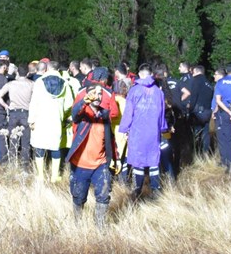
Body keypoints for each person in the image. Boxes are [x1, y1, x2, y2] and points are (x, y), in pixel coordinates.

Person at [67, 67, 119, 226]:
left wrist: (116, 160)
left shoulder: (104, 116)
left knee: (103, 196)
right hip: (81, 163)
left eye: (100, 95)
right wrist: (84, 102)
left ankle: (100, 228)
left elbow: (111, 138)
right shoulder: (83, 115)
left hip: (100, 163)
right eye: (94, 95)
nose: (98, 96)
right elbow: (75, 113)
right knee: (79, 197)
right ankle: (77, 225)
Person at [118, 64, 167, 200]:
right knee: (153, 160)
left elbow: (129, 112)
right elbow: (161, 114)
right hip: (153, 132)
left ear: (140, 74)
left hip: (137, 132)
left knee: (138, 161)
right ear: (150, 74)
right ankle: (156, 190)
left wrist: (124, 128)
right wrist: (162, 127)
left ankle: (137, 189)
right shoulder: (158, 92)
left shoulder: (134, 91)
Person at [28, 60, 74, 182]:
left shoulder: (39, 82)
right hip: (56, 119)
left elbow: (34, 102)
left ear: (47, 69)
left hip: (41, 118)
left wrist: (31, 119)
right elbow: (69, 103)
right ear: (58, 70)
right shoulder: (64, 83)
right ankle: (54, 176)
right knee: (55, 146)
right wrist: (62, 113)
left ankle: (40, 176)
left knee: (39, 146)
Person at [0, 64, 34, 165]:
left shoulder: (11, 84)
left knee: (13, 140)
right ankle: (25, 164)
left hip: (13, 114)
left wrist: (5, 106)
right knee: (26, 141)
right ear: (28, 73)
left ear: (17, 73)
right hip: (26, 113)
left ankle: (13, 163)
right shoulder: (32, 84)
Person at [214, 63, 231, 173]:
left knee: (228, 140)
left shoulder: (220, 83)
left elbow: (218, 100)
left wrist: (229, 112)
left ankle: (230, 166)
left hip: (225, 114)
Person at [183, 65, 213, 156]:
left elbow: (194, 96)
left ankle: (196, 154)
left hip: (198, 113)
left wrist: (189, 108)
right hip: (207, 112)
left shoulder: (196, 81)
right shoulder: (208, 83)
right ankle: (206, 153)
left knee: (196, 134)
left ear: (195, 71)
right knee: (205, 134)